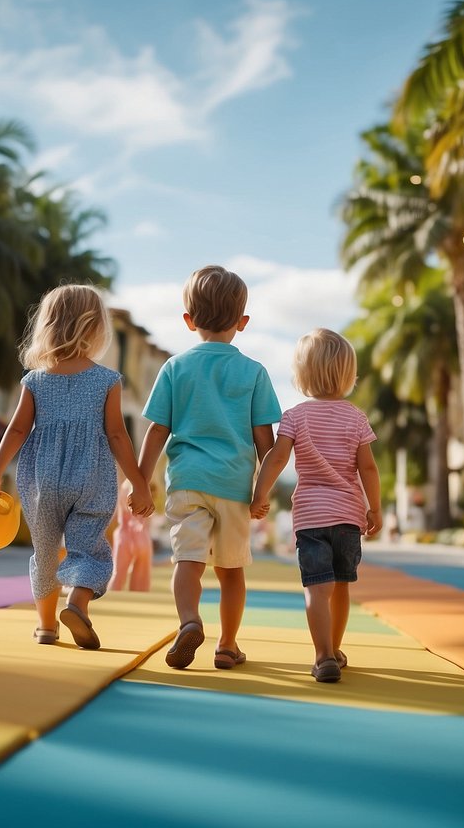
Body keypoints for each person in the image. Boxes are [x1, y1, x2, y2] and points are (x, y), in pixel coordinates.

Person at [0, 284, 154, 650]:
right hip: (91, 476)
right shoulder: (106, 381)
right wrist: (140, 484)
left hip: (42, 478)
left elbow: (17, 429)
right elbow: (118, 437)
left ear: (47, 325)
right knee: (88, 546)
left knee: (45, 552)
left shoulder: (35, 380)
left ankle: (46, 627)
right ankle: (77, 603)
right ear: (95, 328)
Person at [137, 265, 282, 670]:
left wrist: (141, 482)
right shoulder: (254, 372)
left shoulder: (174, 368)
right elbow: (266, 443)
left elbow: (156, 431)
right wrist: (261, 493)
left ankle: (189, 620)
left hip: (186, 481)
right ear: (243, 322)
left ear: (188, 320)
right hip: (234, 486)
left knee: (188, 561)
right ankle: (227, 646)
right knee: (232, 570)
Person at [250, 328, 382, 683]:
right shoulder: (355, 417)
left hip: (310, 517)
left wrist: (260, 494)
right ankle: (335, 649)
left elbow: (276, 459)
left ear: (301, 375)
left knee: (316, 589)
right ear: (349, 375)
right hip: (348, 516)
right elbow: (367, 467)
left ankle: (322, 654)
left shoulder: (294, 416)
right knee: (341, 586)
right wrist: (376, 508)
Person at [108, 480, 157, 592]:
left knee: (118, 574)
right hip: (142, 536)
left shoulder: (126, 485)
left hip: (125, 535)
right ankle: (140, 599)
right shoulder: (146, 484)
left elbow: (121, 511)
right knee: (142, 577)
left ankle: (113, 594)